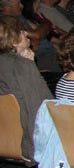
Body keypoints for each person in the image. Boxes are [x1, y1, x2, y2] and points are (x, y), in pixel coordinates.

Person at [0, 15, 52, 159]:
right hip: (28, 140)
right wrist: (30, 66)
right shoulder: (22, 66)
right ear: (13, 40)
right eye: (21, 31)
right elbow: (43, 104)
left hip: (6, 135)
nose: (25, 33)